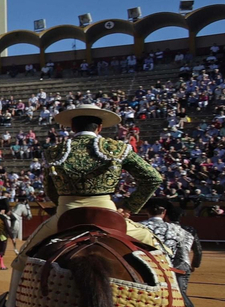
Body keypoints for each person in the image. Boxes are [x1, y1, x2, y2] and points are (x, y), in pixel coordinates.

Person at [11, 105, 163, 268]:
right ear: (99, 128)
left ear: (73, 127)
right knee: (159, 249)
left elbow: (50, 189)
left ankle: (11, 295)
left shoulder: (55, 152)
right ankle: (175, 291)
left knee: (22, 259)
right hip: (107, 215)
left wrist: (59, 204)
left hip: (66, 214)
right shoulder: (117, 148)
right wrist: (129, 207)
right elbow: (153, 178)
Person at [139, 199, 199, 307]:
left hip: (141, 267)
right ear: (164, 212)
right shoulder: (177, 229)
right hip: (167, 268)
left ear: (146, 212)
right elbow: (183, 252)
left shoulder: (137, 227)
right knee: (172, 297)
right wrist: (181, 269)